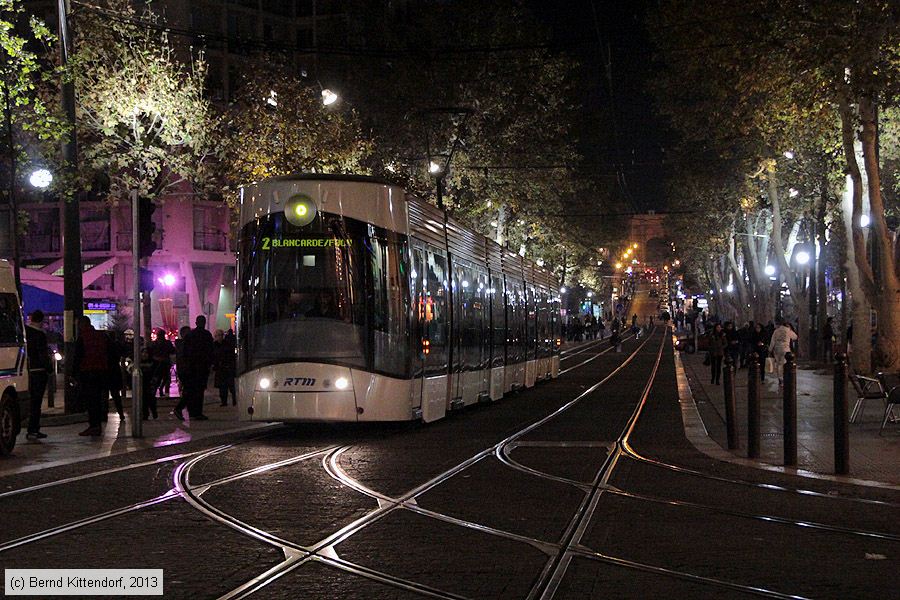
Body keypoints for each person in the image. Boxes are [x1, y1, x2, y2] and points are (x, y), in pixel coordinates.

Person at [72, 316, 111, 437]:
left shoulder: (82, 338)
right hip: (102, 371)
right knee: (98, 398)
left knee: (91, 400)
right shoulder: (102, 336)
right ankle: (98, 423)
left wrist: (73, 374)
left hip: (88, 372)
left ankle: (94, 425)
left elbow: (78, 357)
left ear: (82, 325)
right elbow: (110, 351)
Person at [181, 315, 214, 420]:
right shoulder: (207, 335)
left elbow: (184, 352)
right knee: (199, 391)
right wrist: (210, 364)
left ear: (196, 323)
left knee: (192, 390)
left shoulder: (190, 335)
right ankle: (197, 412)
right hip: (202, 367)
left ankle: (191, 411)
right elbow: (210, 352)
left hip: (192, 367)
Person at [25, 310, 51, 440]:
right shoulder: (40, 335)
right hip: (39, 371)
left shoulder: (25, 332)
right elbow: (43, 355)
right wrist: (49, 368)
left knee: (32, 401)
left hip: (27, 370)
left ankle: (32, 429)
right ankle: (33, 429)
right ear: (41, 321)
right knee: (37, 402)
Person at [768, 320, 798, 388]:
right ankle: (784, 378)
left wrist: (770, 350)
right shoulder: (788, 330)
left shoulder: (776, 331)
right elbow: (795, 337)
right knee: (784, 363)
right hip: (785, 349)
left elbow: (772, 341)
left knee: (779, 364)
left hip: (777, 349)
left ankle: (780, 379)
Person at [172, 326, 192, 420]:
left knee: (187, 390)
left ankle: (186, 408)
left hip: (184, 370)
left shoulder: (182, 344)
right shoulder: (184, 344)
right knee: (189, 390)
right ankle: (179, 408)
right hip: (186, 370)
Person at [213, 329, 237, 406]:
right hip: (220, 368)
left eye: (220, 335)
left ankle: (234, 400)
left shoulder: (227, 344)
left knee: (230, 386)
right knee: (222, 387)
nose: (219, 337)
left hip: (227, 367)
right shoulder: (215, 345)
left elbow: (231, 356)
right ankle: (224, 401)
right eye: (217, 336)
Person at [105, 330, 126, 419]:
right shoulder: (116, 345)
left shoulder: (105, 346)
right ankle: (120, 413)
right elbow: (123, 352)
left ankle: (104, 414)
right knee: (116, 395)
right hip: (114, 371)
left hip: (106, 371)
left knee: (105, 395)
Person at [150, 328, 175, 398]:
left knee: (161, 379)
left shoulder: (155, 343)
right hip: (161, 362)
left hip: (161, 362)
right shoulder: (166, 343)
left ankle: (156, 392)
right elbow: (172, 351)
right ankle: (162, 392)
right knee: (164, 379)